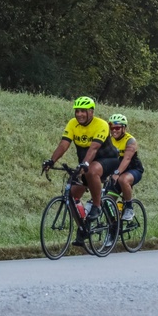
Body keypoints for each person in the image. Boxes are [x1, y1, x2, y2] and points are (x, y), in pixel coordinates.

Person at [42, 96, 116, 233]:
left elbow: (93, 148)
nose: (79, 114)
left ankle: (97, 205)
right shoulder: (72, 124)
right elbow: (64, 144)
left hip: (108, 160)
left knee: (91, 171)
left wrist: (85, 164)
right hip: (86, 163)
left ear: (91, 112)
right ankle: (83, 228)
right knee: (71, 195)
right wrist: (51, 161)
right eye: (77, 111)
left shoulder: (101, 124)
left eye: (83, 111)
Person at [104, 113, 143, 222]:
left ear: (124, 128)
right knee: (107, 202)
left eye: (117, 128)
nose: (114, 130)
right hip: (116, 172)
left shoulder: (130, 140)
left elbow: (127, 159)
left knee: (123, 179)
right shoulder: (109, 140)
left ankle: (129, 207)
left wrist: (117, 173)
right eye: (111, 128)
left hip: (133, 170)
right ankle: (113, 228)